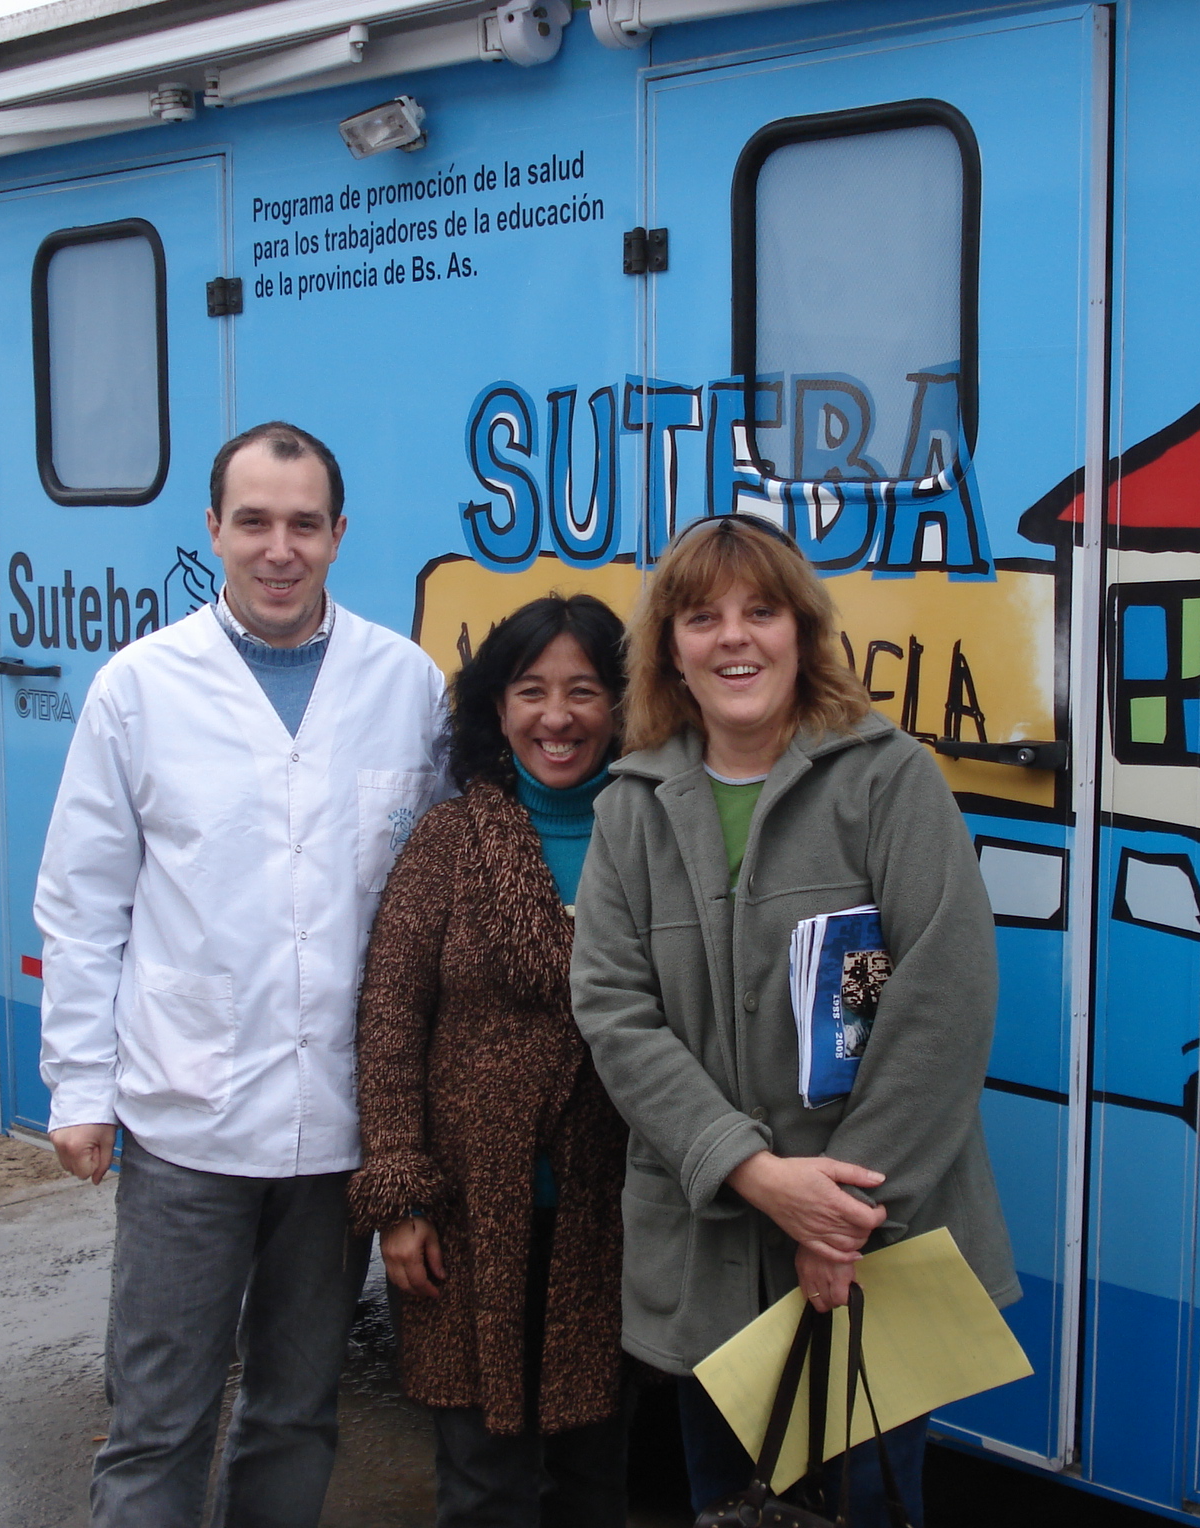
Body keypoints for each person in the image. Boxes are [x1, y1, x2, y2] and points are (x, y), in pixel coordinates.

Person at [37, 420, 451, 1528]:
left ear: (338, 534)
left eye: (303, 525)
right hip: (188, 1120)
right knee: (157, 1418)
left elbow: (435, 889)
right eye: (254, 521)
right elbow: (83, 904)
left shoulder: (404, 685)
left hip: (339, 1130)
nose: (279, 549)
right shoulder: (139, 689)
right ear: (214, 528)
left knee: (296, 1411)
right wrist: (80, 1088)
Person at [569, 514, 1017, 1525]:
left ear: (802, 631)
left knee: (862, 1507)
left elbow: (943, 999)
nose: (733, 638)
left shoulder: (887, 777)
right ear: (669, 650)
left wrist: (840, 1219)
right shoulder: (629, 808)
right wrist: (753, 1172)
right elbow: (612, 1009)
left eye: (761, 612)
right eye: (701, 618)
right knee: (728, 1506)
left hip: (876, 1249)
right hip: (710, 1252)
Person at [349, 594, 634, 1528]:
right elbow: (391, 1019)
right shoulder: (451, 841)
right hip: (466, 1223)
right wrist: (400, 1199)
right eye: (531, 691)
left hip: (614, 1218)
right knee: (483, 1486)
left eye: (583, 691)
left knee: (595, 1483)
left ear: (622, 704)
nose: (557, 717)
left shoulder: (649, 833)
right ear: (497, 708)